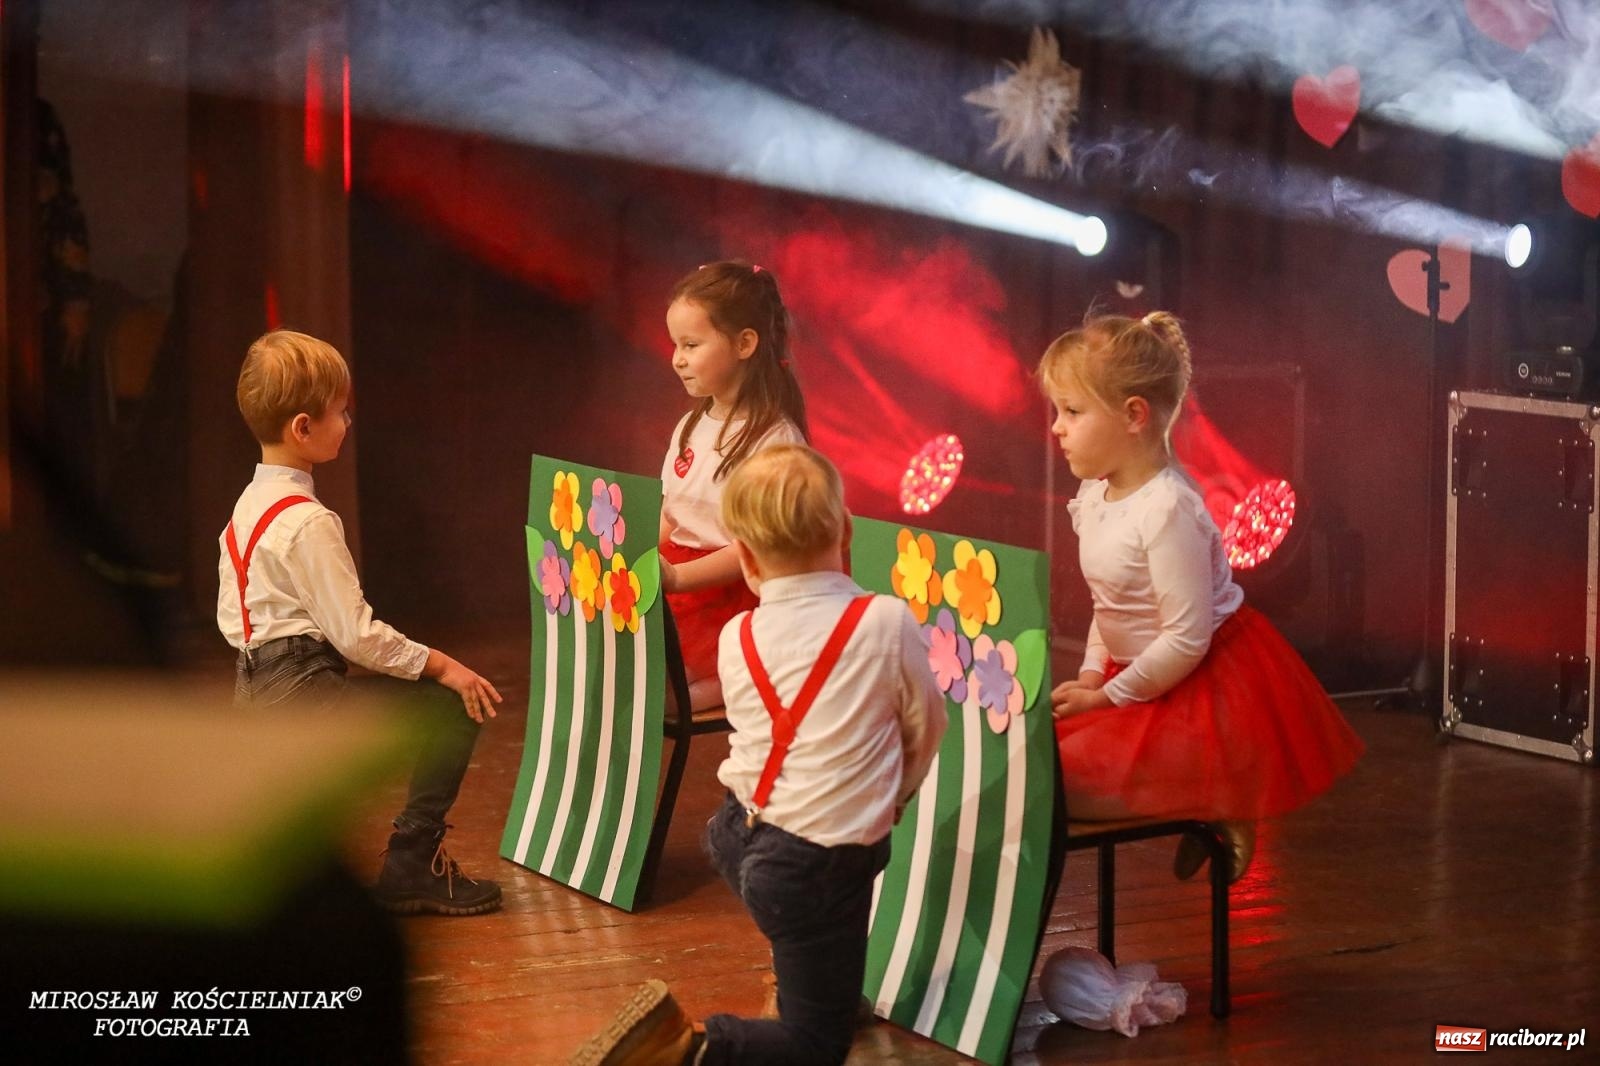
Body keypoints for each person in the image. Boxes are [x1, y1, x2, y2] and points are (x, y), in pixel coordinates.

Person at [571, 444, 947, 1066]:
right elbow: (926, 725)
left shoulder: (736, 635)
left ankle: (821, 979)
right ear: (846, 530)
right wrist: (898, 793)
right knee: (816, 1044)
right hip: (816, 864)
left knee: (810, 908)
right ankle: (686, 1048)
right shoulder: (884, 620)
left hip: (738, 835)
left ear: (744, 558)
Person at [1041, 311, 1363, 882]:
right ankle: (1202, 801)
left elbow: (1187, 637)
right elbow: (1108, 602)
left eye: (1072, 412)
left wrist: (1108, 698)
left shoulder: (1168, 509)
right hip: (1136, 676)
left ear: (1134, 416)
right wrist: (1092, 673)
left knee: (1052, 782)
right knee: (1028, 761)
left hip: (1196, 685)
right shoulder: (1095, 493)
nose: (1056, 429)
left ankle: (1216, 800)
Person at [219, 329, 504, 915]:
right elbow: (355, 635)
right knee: (451, 704)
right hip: (301, 689)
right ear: (303, 427)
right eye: (340, 412)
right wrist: (444, 665)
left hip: (252, 685)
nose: (348, 422)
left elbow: (236, 618)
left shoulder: (247, 504)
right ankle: (411, 863)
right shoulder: (307, 520)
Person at [660, 260, 808, 711]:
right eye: (675, 345)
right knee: (621, 678)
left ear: (744, 343)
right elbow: (672, 514)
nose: (678, 358)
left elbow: (759, 547)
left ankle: (737, 684)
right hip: (680, 591)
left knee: (662, 699)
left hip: (734, 598)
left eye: (691, 344)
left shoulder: (775, 440)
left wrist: (680, 577)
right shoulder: (690, 424)